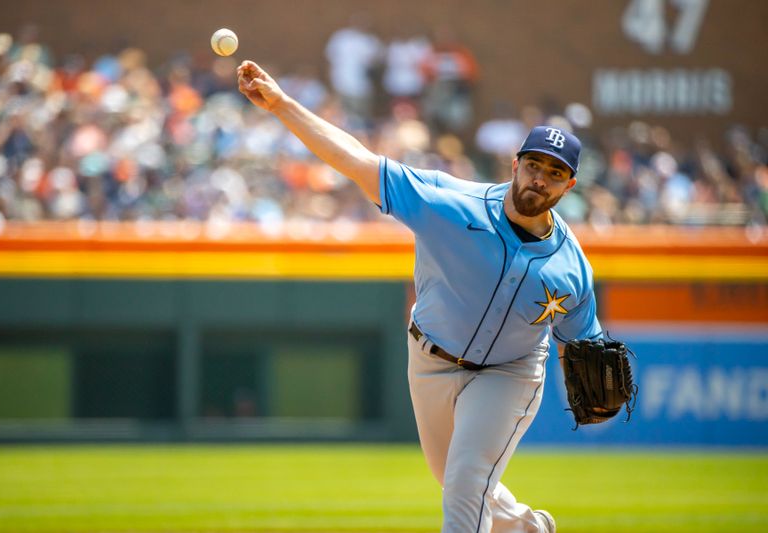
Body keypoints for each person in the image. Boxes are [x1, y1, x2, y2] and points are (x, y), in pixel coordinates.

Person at [237, 60, 603, 533]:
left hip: (509, 374)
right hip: (429, 357)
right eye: (534, 164)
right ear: (515, 164)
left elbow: (585, 342)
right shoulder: (448, 203)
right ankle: (528, 528)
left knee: (466, 480)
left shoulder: (573, 267)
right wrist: (283, 105)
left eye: (555, 173)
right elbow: (356, 160)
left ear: (569, 184)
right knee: (452, 477)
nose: (540, 178)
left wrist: (593, 367)